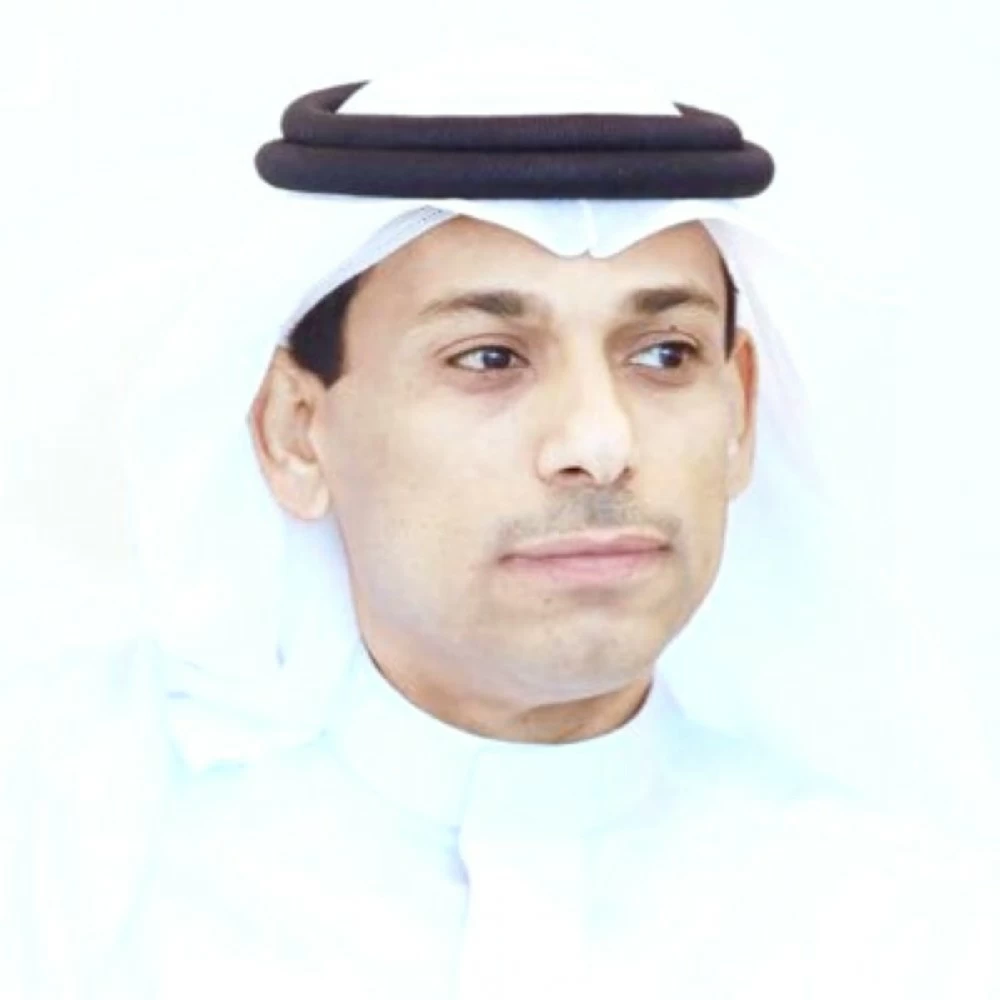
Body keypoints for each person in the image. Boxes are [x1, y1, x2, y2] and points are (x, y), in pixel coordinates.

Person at [2, 68, 997, 999]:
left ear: (739, 411)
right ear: (296, 432)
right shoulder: (64, 867)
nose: (599, 444)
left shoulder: (916, 927)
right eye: (487, 358)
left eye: (663, 354)